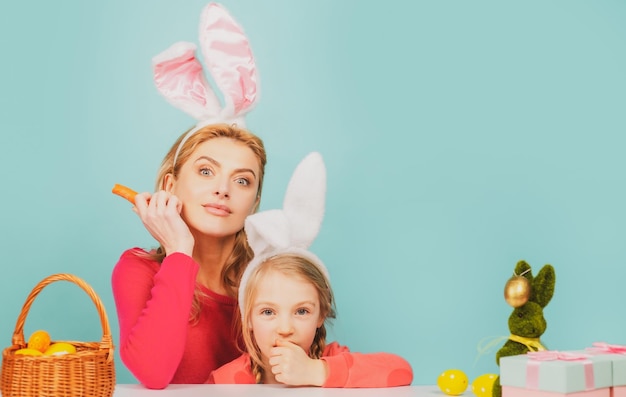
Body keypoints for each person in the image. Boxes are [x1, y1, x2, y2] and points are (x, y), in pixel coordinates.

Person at [112, 3, 264, 388]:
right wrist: (179, 250)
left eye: (243, 181)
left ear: (254, 202)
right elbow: (153, 374)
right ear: (169, 186)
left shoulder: (268, 273)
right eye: (206, 171)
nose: (223, 189)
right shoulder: (137, 269)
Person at [207, 152, 414, 387]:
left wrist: (317, 372)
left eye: (302, 311)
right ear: (249, 319)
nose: (285, 329)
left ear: (321, 315)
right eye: (267, 312)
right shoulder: (225, 381)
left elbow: (400, 370)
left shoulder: (332, 359)